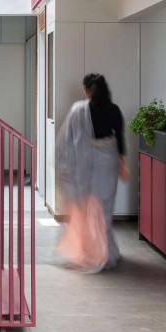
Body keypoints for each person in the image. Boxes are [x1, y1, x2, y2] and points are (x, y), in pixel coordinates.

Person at [54, 73, 130, 272]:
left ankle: (88, 251)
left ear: (87, 89)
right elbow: (120, 138)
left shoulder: (78, 109)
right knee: (104, 207)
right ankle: (104, 251)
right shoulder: (114, 109)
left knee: (86, 206)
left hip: (84, 164)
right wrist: (123, 163)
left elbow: (67, 139)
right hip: (108, 163)